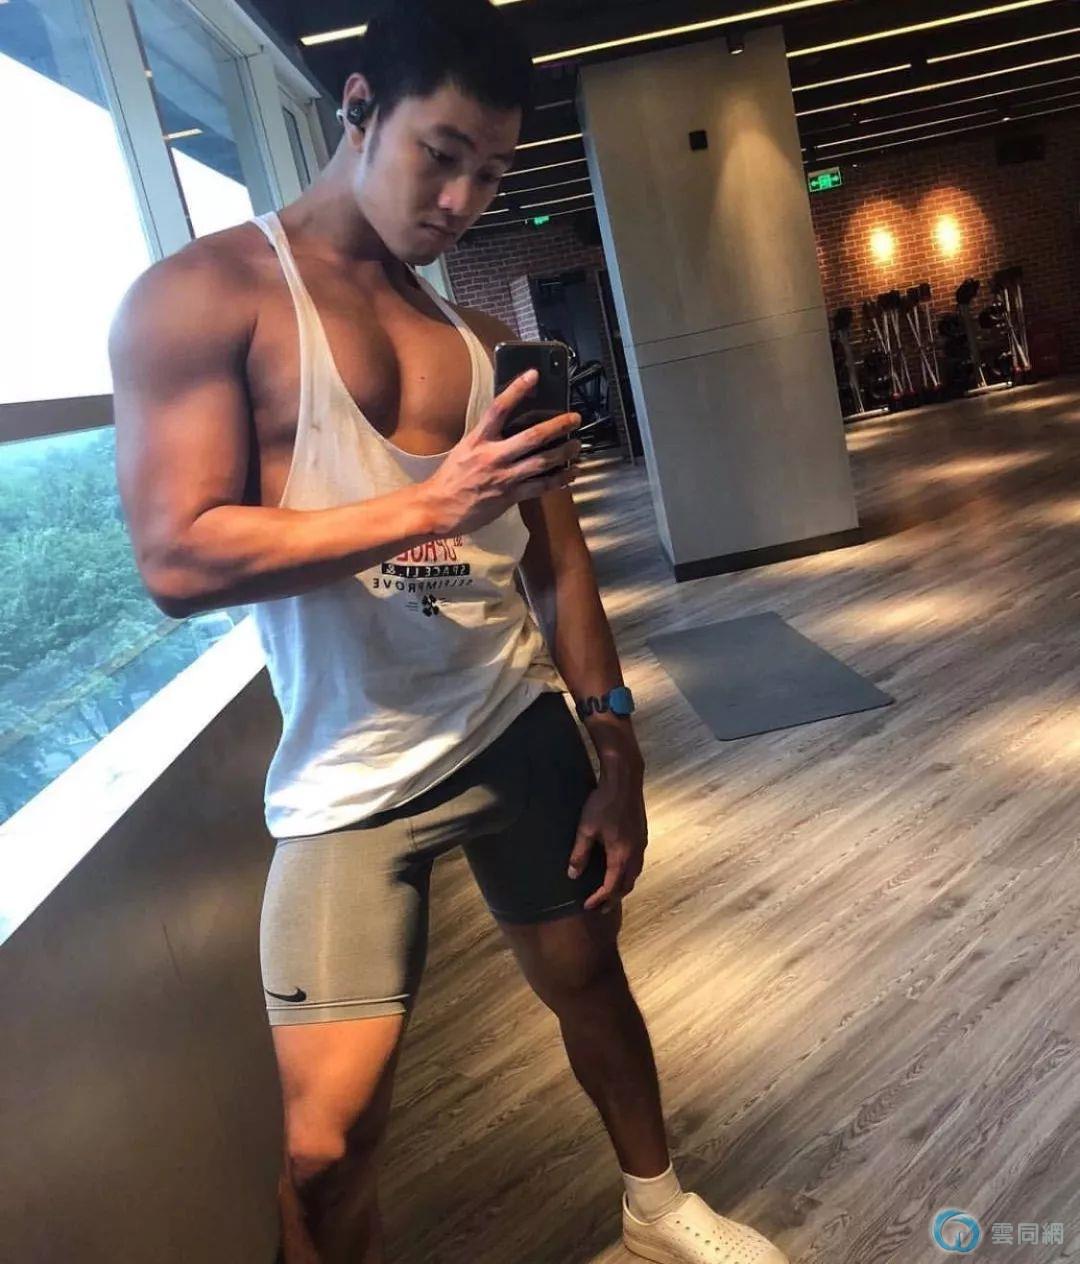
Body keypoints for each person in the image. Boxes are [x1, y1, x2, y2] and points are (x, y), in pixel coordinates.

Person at [108, 2, 788, 1261]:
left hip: (512, 723)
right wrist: (427, 504)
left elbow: (559, 565)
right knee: (325, 1147)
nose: (463, 200)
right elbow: (177, 557)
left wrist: (617, 746)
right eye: (442, 154)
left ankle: (657, 1210)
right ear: (359, 107)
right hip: (348, 775)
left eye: (492, 173)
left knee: (590, 982)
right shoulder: (203, 297)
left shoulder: (481, 347)